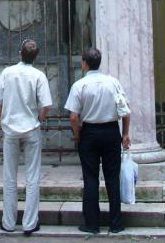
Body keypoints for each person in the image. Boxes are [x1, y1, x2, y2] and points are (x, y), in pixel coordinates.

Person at [64, 47, 131, 235]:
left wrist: (77, 135)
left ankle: (92, 224)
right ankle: (116, 223)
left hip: (90, 133)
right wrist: (125, 134)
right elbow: (125, 111)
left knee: (90, 178)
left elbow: (73, 117)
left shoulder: (80, 85)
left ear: (84, 63)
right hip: (111, 132)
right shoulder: (113, 83)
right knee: (112, 178)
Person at [0, 39, 52, 236]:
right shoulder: (39, 75)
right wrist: (39, 119)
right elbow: (46, 106)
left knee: (9, 176)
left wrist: (3, 120)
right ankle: (30, 223)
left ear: (20, 54)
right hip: (31, 129)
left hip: (10, 129)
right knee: (32, 177)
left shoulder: (7, 73)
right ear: (35, 57)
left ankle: (8, 222)